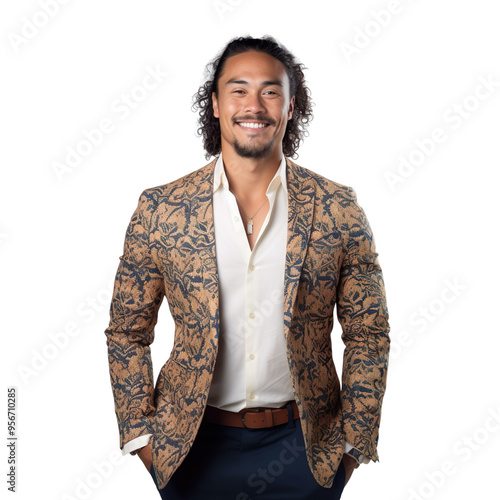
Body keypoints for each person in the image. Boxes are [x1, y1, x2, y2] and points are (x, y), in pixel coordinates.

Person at [105, 35, 390, 499]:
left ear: (291, 106)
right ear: (215, 103)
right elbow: (126, 331)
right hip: (190, 450)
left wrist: (353, 448)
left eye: (270, 90)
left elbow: (368, 332)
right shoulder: (161, 209)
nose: (253, 104)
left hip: (306, 451)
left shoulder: (338, 207)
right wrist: (142, 439)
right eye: (238, 89)